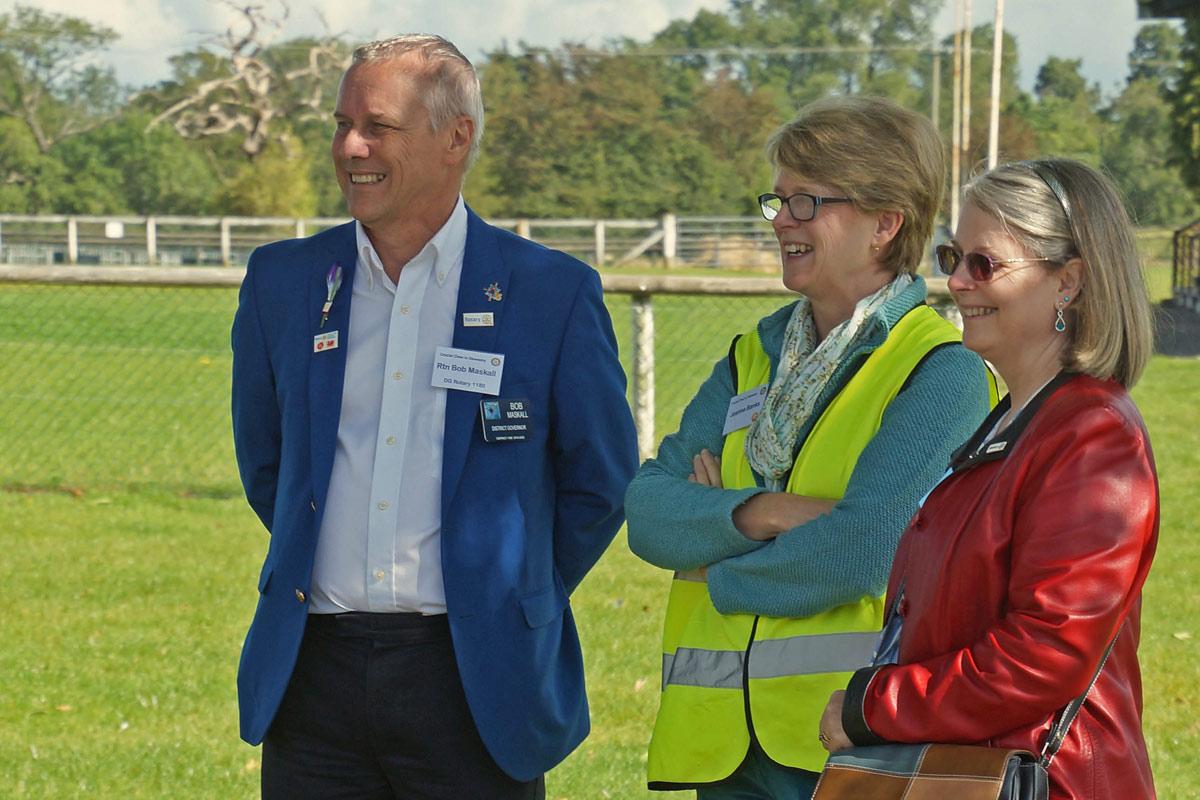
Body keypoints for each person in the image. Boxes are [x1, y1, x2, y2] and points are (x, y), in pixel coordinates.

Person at [230, 34, 638, 799]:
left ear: (458, 137)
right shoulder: (282, 283)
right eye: (342, 123)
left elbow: (601, 480)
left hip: (474, 680)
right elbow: (268, 465)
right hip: (312, 677)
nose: (351, 146)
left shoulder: (549, 292)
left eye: (377, 126)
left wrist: (512, 590)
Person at [625, 95, 995, 798]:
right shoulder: (751, 355)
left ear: (886, 223)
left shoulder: (940, 372)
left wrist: (712, 570)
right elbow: (647, 513)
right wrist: (763, 511)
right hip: (721, 749)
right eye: (780, 200)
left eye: (808, 203)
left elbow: (867, 550)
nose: (782, 223)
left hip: (846, 744)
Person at [819, 158, 1159, 799]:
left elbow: (1043, 657)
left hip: (1048, 783)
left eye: (986, 264)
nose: (957, 282)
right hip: (975, 772)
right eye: (953, 257)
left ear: (1070, 282)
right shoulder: (1016, 424)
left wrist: (874, 707)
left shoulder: (1092, 437)